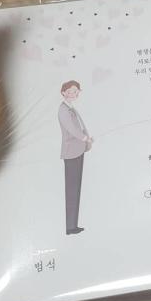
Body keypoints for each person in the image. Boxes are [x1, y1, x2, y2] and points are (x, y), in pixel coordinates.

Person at [58, 80, 93, 235]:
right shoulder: (63, 110)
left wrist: (87, 139)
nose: (75, 94)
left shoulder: (71, 108)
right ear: (63, 92)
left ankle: (72, 225)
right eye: (72, 91)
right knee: (72, 189)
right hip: (71, 151)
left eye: (77, 92)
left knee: (75, 188)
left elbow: (80, 126)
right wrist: (84, 138)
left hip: (78, 150)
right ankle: (70, 227)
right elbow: (71, 128)